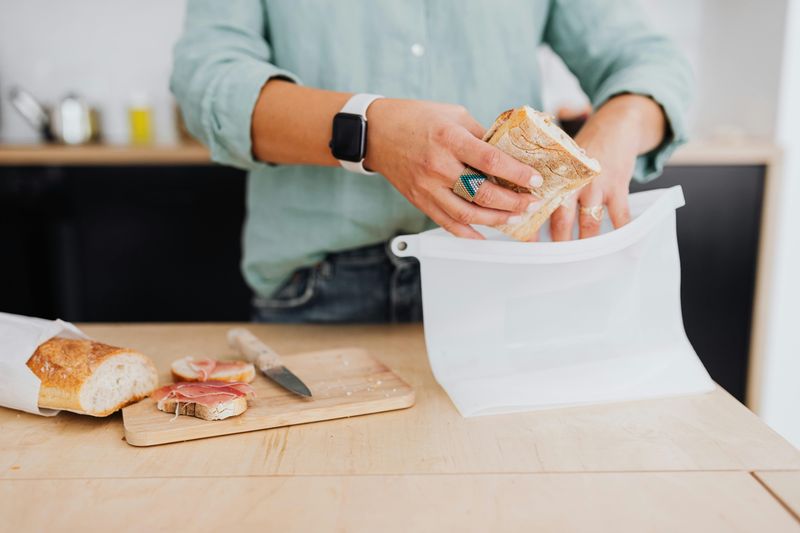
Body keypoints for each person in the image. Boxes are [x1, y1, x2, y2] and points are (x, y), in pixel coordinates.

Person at [171, 0, 691, 323]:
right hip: (318, 290)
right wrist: (369, 131)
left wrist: (613, 131)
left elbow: (650, 61)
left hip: (502, 279)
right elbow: (207, 85)